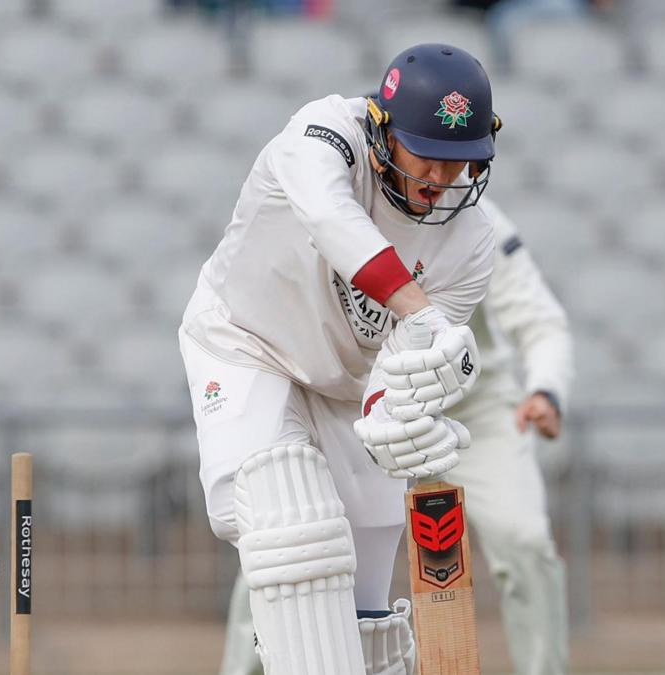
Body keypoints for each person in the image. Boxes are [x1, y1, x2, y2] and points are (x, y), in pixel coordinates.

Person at [179, 43, 502, 675]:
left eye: (459, 163)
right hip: (246, 342)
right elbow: (331, 218)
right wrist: (421, 311)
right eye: (427, 157)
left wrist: (398, 419)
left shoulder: (472, 242)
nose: (440, 180)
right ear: (384, 130)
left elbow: (403, 364)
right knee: (286, 518)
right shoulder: (324, 134)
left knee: (363, 587)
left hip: (346, 385)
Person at [216, 195, 574, 675]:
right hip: (358, 406)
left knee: (524, 540)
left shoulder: (478, 225)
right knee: (287, 541)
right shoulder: (335, 207)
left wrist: (546, 390)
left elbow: (540, 320)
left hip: (474, 413)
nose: (435, 179)